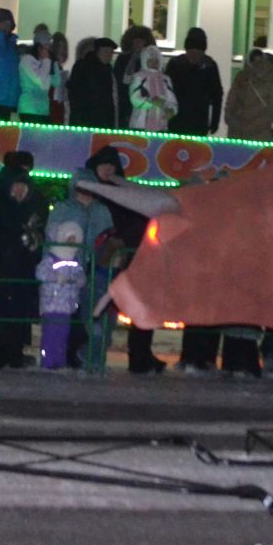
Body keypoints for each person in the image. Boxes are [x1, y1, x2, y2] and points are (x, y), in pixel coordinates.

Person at [85, 146, 167, 375]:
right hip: (101, 259)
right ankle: (88, 354)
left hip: (130, 257)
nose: (108, 169)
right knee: (94, 307)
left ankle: (140, 355)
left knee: (141, 305)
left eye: (112, 165)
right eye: (104, 164)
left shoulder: (124, 193)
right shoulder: (93, 193)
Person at [51, 168, 118, 368]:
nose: (85, 192)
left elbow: (110, 237)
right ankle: (68, 357)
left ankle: (91, 356)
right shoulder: (64, 209)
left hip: (97, 270)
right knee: (68, 317)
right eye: (81, 187)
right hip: (68, 268)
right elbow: (52, 234)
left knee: (97, 317)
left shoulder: (102, 211)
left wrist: (107, 258)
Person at [0, 164, 45, 368]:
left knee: (19, 313)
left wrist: (33, 243)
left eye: (22, 187)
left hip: (22, 271)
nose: (18, 191)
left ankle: (14, 352)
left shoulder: (32, 211)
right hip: (2, 269)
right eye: (15, 186)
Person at [35, 219, 88, 369]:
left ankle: (59, 360)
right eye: (69, 239)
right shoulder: (51, 258)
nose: (71, 243)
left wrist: (80, 280)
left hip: (67, 305)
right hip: (52, 304)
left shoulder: (74, 260)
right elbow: (40, 273)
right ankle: (48, 361)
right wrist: (55, 277)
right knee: (51, 334)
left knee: (63, 335)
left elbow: (80, 275)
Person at [165, 27, 224, 136]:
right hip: (177, 120)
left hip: (198, 122)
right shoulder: (176, 64)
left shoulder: (209, 66)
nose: (195, 55)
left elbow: (217, 96)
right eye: (192, 51)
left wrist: (215, 121)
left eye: (198, 52)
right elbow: (166, 91)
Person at [225, 47, 273, 141]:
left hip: (237, 131)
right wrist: (258, 125)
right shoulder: (272, 80)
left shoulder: (241, 77)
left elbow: (230, 103)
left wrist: (232, 121)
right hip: (261, 133)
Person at [65, 35, 119, 129]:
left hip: (101, 121)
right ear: (97, 52)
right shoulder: (83, 67)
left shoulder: (108, 70)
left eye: (111, 52)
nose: (109, 55)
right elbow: (75, 94)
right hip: (86, 120)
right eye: (106, 51)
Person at [127, 44, 177, 131]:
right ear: (144, 61)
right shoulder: (139, 77)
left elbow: (172, 100)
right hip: (140, 125)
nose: (154, 64)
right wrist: (152, 102)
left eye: (156, 61)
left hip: (161, 125)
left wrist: (172, 111)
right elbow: (134, 98)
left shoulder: (165, 79)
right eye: (151, 61)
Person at [114, 26, 157, 129]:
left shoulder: (151, 60)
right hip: (124, 104)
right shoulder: (123, 59)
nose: (138, 44)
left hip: (145, 106)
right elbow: (119, 80)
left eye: (141, 41)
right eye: (135, 41)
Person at [18, 29, 62, 123]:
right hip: (29, 109)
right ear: (38, 46)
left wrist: (54, 64)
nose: (49, 49)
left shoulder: (47, 62)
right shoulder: (27, 60)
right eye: (47, 45)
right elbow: (41, 82)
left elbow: (57, 82)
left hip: (43, 110)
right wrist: (47, 61)